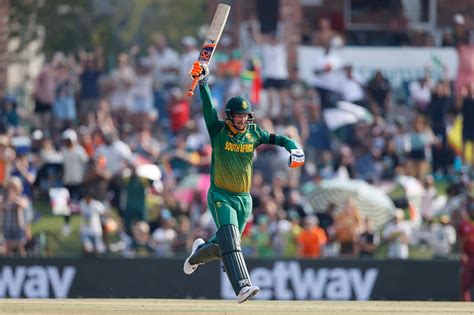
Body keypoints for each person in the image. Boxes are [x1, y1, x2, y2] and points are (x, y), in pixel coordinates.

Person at [182, 61, 305, 303]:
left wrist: (294, 148)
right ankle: (242, 286)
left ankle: (197, 254)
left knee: (222, 246)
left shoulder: (254, 133)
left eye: (244, 116)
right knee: (229, 237)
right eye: (237, 116)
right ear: (229, 117)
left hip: (244, 199)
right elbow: (208, 107)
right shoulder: (218, 130)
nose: (241, 121)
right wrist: (204, 82)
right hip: (220, 195)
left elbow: (278, 137)